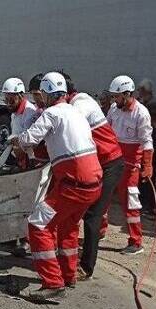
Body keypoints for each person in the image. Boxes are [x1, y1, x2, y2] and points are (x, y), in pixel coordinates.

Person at [10, 72, 103, 301]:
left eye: (40, 94)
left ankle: (52, 282)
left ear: (46, 93)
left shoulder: (51, 114)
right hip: (94, 183)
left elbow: (29, 139)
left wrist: (16, 141)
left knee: (38, 224)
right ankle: (69, 275)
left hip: (73, 184)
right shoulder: (75, 111)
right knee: (68, 225)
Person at [63, 73, 124, 278]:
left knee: (92, 214)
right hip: (100, 163)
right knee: (87, 211)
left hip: (110, 164)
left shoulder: (81, 104)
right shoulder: (74, 104)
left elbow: (69, 129)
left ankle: (87, 267)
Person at [105, 75, 154, 255]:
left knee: (130, 203)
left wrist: (147, 165)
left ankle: (136, 241)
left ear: (127, 94)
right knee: (103, 198)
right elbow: (106, 131)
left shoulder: (141, 113)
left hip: (130, 166)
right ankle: (100, 232)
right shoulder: (114, 109)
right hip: (112, 162)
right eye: (113, 96)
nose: (114, 99)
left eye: (117, 96)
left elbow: (147, 141)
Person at [1, 77, 41, 258]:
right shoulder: (14, 114)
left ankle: (27, 241)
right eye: (6, 99)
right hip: (22, 161)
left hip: (34, 162)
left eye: (11, 99)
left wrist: (18, 146)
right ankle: (15, 235)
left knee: (31, 202)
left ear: (20, 96)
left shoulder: (30, 113)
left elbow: (31, 139)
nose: (8, 103)